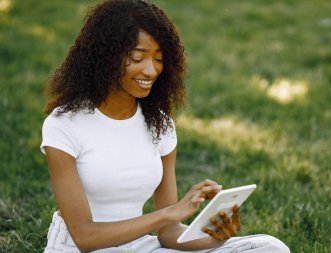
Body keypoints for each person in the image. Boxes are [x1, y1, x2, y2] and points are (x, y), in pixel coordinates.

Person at [40, 0, 290, 252]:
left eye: (159, 60)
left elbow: (168, 233)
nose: (150, 70)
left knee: (270, 247)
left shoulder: (160, 125)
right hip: (75, 247)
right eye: (137, 57)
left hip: (138, 246)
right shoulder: (64, 125)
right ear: (105, 57)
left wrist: (213, 238)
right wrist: (168, 213)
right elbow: (84, 236)